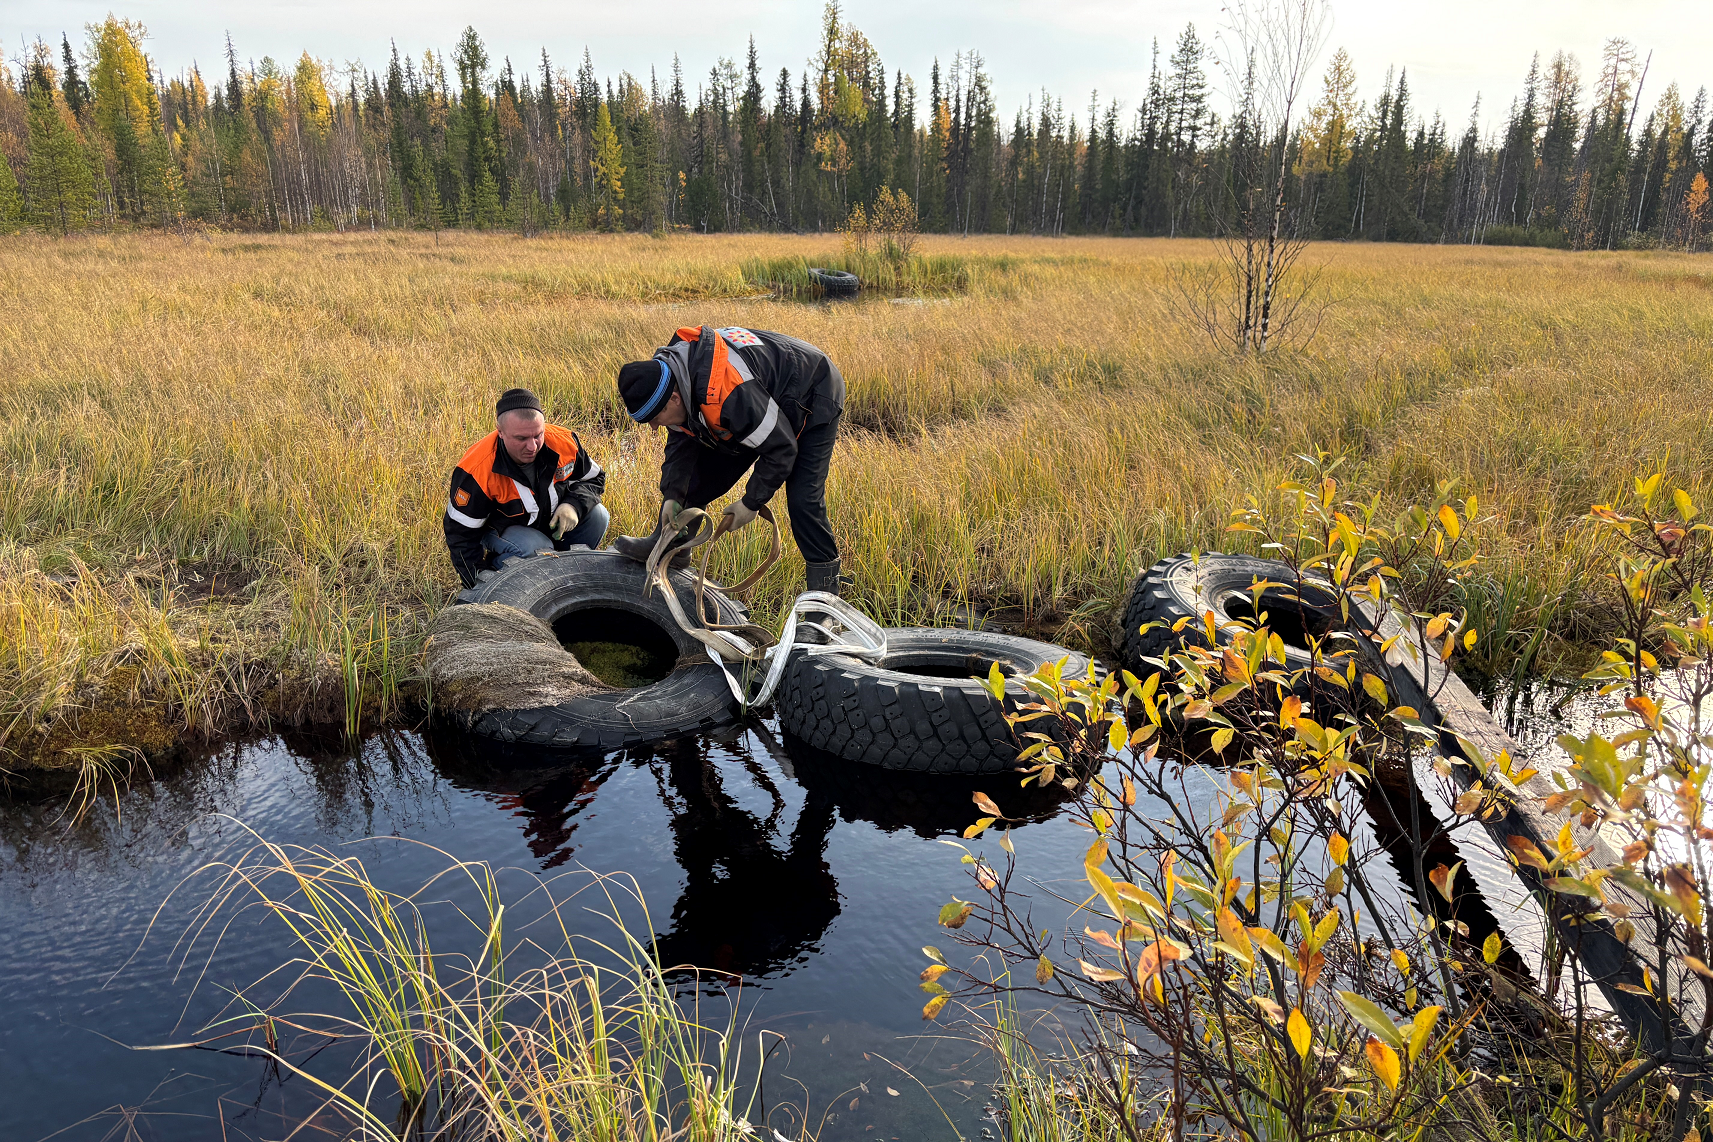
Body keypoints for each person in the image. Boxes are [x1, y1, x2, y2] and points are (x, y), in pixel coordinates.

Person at [613, 325, 845, 594]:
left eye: (654, 419)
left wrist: (751, 502)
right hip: (759, 401)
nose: (653, 427)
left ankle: (825, 599)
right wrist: (672, 496)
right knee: (695, 477)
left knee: (804, 499)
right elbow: (682, 440)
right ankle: (674, 548)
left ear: (674, 399)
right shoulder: (670, 377)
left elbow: (781, 448)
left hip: (811, 392)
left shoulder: (730, 393)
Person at [443, 388, 608, 587]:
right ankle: (502, 569)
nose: (532, 447)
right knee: (536, 548)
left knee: (598, 516)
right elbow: (461, 535)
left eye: (538, 435)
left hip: (549, 521)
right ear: (500, 432)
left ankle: (566, 576)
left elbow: (595, 478)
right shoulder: (476, 470)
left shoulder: (564, 442)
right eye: (521, 439)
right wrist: (479, 586)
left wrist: (573, 505)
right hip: (504, 530)